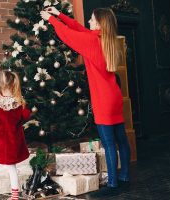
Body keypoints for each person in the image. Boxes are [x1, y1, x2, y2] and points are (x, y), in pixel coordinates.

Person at [40, 7, 131, 195]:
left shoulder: (91, 41)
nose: (88, 22)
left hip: (103, 99)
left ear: (98, 23)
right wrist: (59, 14)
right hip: (114, 95)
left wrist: (51, 19)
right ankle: (124, 177)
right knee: (121, 139)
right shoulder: (107, 40)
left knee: (108, 144)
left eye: (91, 19)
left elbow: (68, 34)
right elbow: (79, 29)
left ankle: (113, 185)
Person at [0, 70, 31, 200]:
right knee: (12, 168)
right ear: (14, 84)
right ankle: (14, 196)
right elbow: (26, 115)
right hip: (12, 142)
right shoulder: (18, 104)